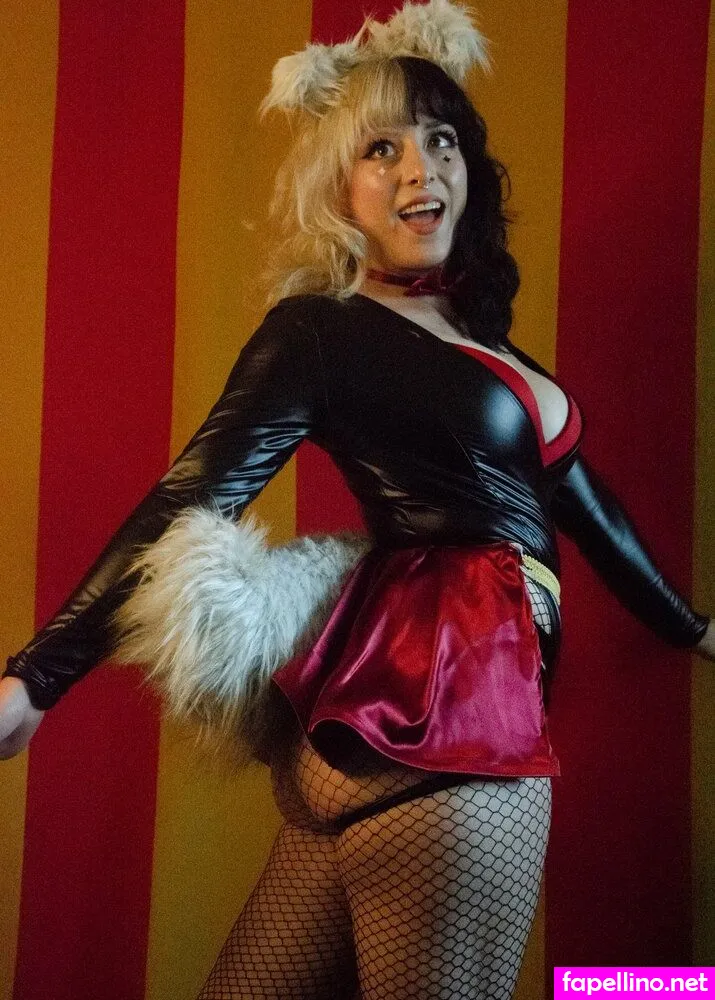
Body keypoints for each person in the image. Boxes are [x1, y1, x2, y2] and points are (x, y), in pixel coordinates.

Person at [1, 2, 712, 997]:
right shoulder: (323, 329)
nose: (421, 168)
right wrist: (35, 678)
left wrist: (692, 628)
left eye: (440, 140)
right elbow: (189, 498)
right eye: (382, 148)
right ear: (338, 186)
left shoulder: (483, 346)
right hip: (452, 731)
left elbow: (589, 512)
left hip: (375, 743)